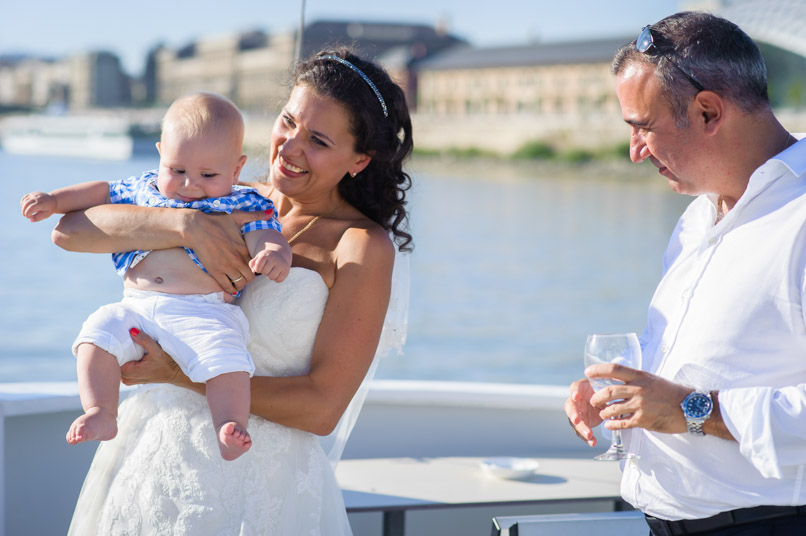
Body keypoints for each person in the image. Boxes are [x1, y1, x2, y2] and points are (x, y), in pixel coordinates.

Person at [54, 48, 412, 535]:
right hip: (150, 454)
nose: (289, 147)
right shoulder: (218, 193)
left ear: (360, 160)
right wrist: (184, 225)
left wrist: (179, 374)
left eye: (318, 140)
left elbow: (323, 409)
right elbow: (69, 231)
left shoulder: (359, 246)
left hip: (261, 483)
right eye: (288, 121)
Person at [565, 11, 806, 535]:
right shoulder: (698, 216)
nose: (634, 152)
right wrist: (630, 393)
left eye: (642, 127)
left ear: (707, 111)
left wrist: (689, 410)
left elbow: (686, 405)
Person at [20, 92, 292, 461]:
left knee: (227, 358)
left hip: (205, 311)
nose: (189, 184)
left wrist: (274, 254)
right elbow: (100, 191)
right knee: (97, 332)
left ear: (236, 168)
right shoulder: (142, 188)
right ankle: (101, 410)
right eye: (176, 170)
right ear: (161, 153)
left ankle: (228, 425)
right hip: (137, 307)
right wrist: (54, 201)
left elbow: (266, 233)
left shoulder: (244, 202)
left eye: (208, 175)